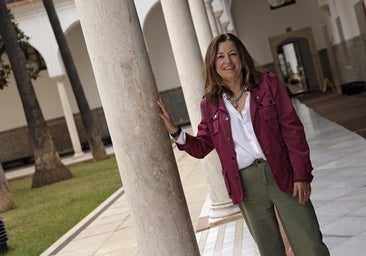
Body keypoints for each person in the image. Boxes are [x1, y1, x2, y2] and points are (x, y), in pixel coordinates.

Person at [157, 33, 329, 256]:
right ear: (213, 64)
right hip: (245, 185)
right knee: (270, 250)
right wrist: (175, 131)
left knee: (311, 245)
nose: (227, 61)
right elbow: (202, 146)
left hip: (282, 174)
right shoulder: (209, 104)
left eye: (232, 54)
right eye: (220, 57)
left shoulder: (268, 84)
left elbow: (292, 130)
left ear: (242, 57)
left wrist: (302, 174)